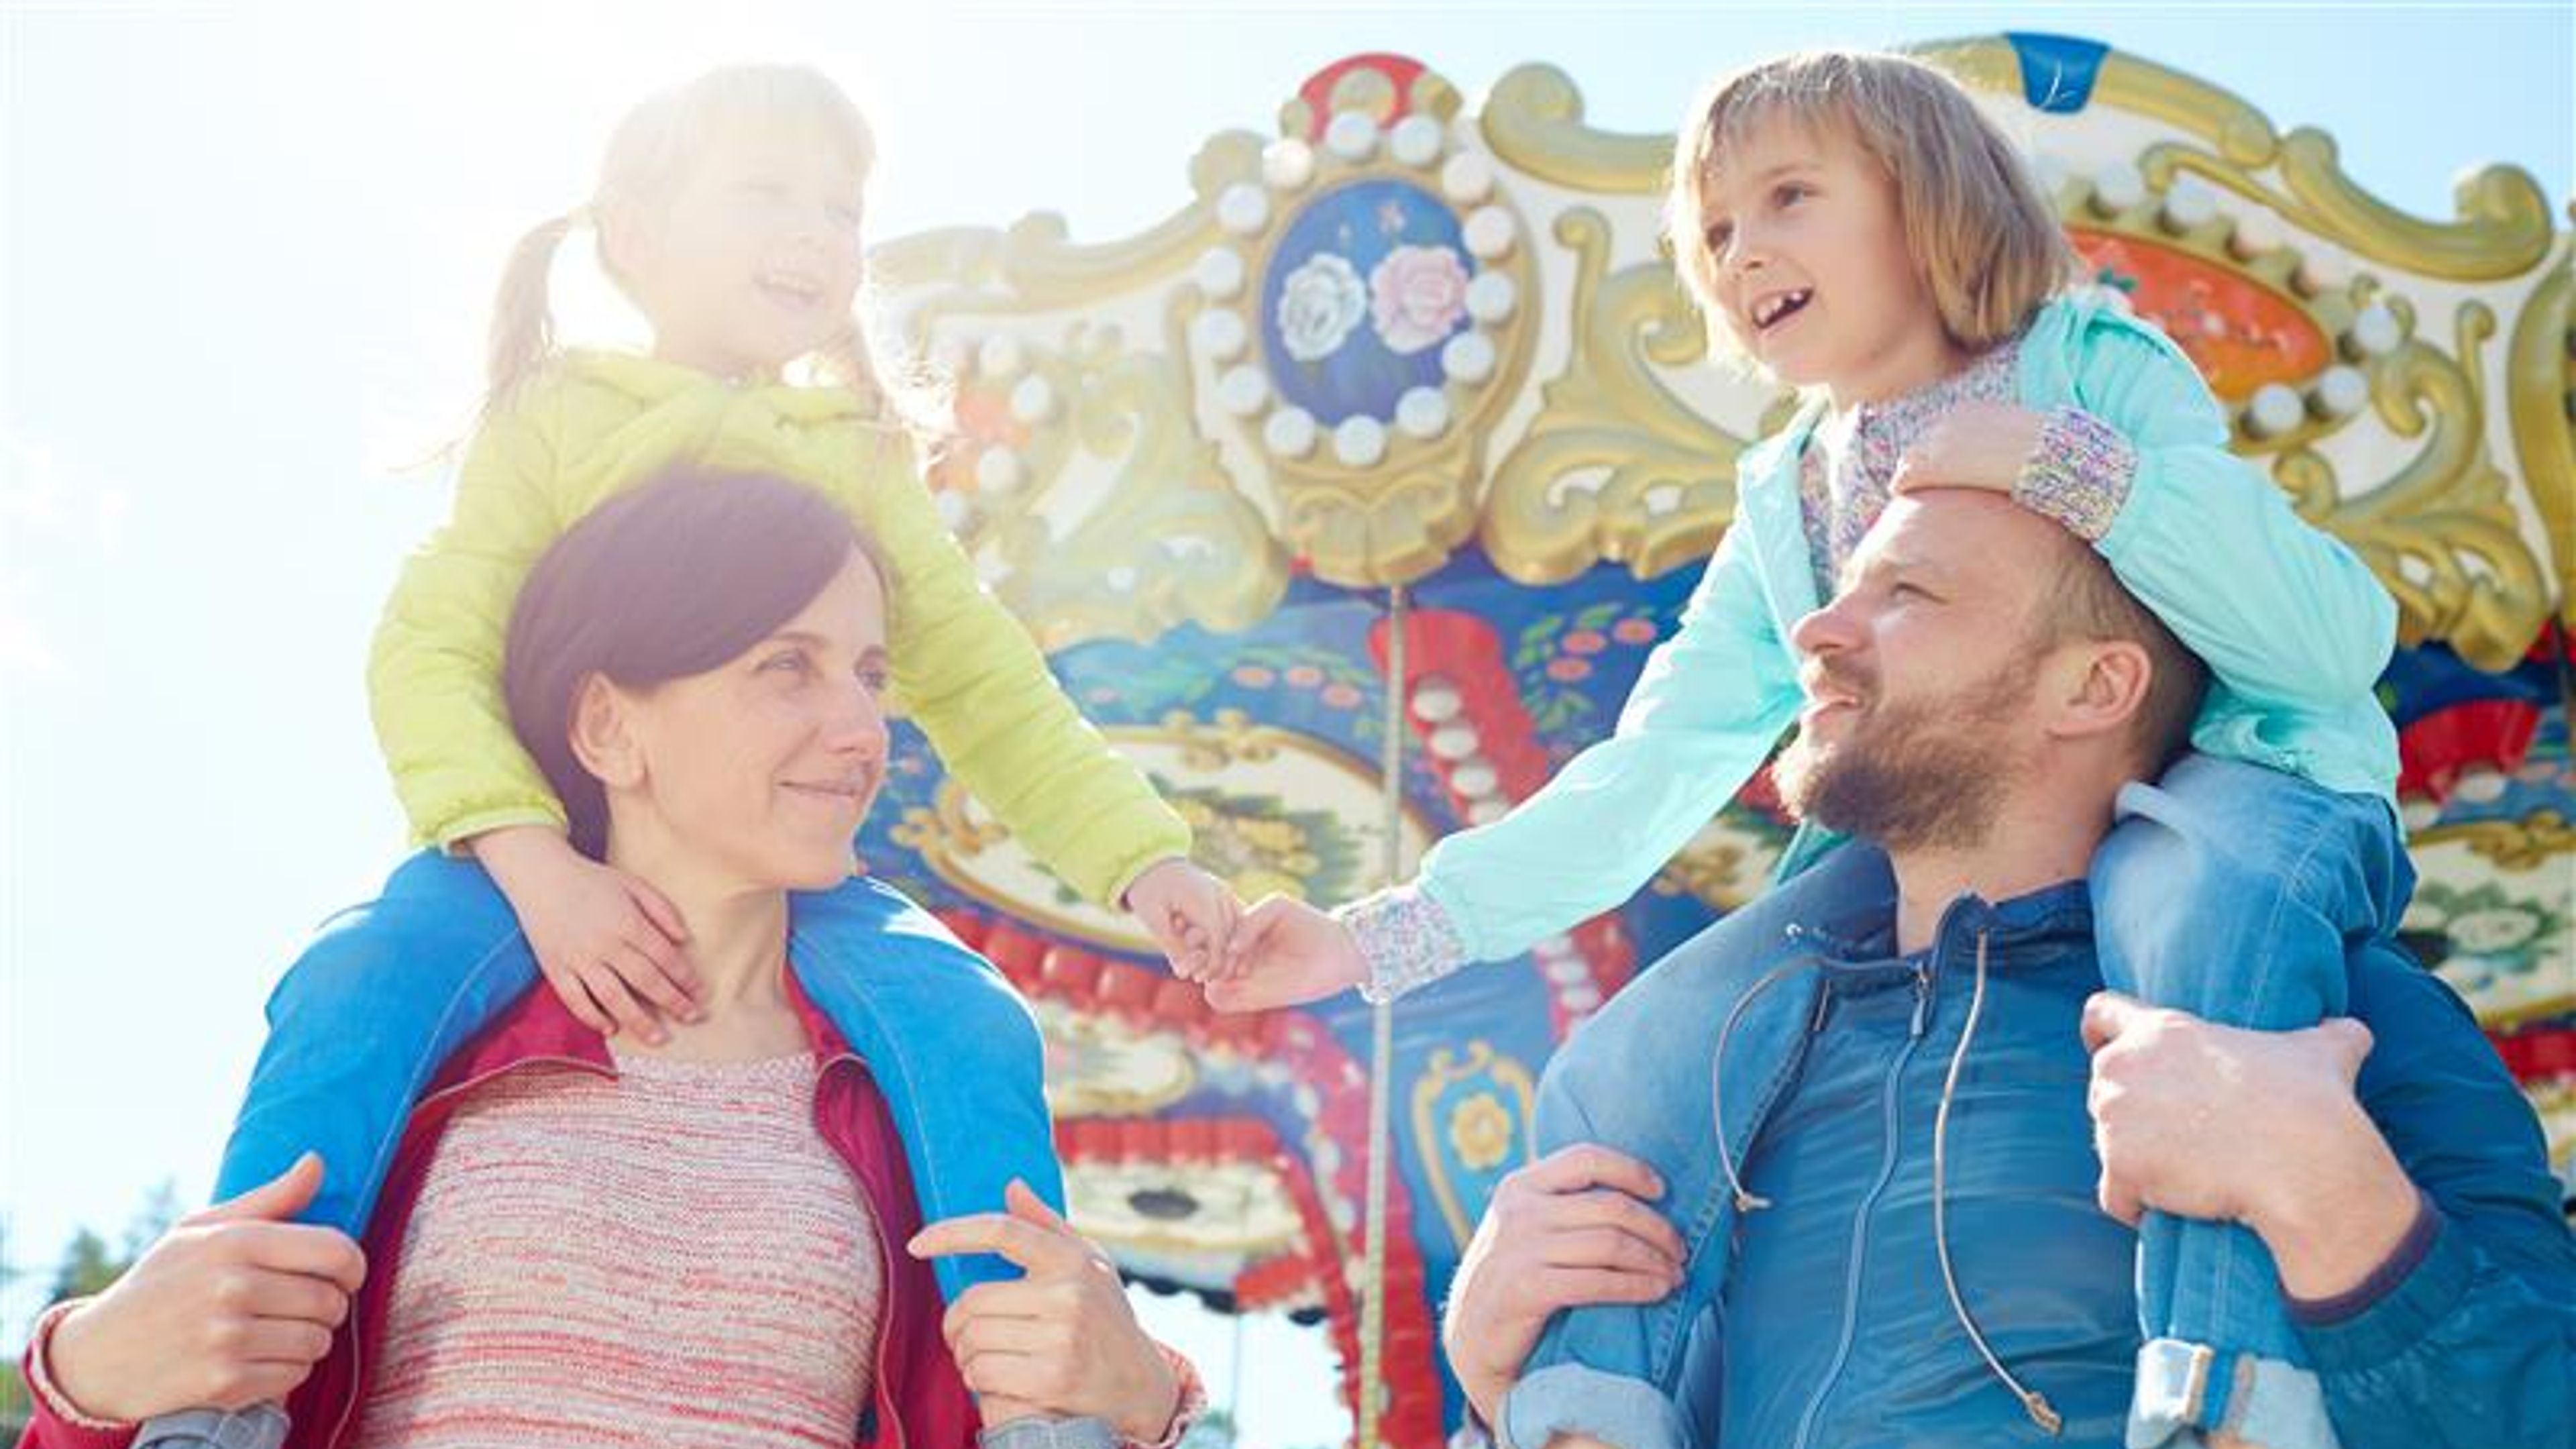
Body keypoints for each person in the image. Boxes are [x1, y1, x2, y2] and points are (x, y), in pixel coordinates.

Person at [1214, 49, 2410, 1447]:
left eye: (1789, 196)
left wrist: (2070, 468)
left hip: (2225, 781)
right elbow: (1654, 760)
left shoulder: (2096, 367)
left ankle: (2231, 1387)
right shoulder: (1789, 492)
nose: (1743, 251)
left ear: (1931, 203)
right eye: (1715, 227)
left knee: (2195, 922)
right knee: (1637, 1053)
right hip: (1917, 839)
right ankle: (1589, 1404)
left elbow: (2323, 640)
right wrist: (1383, 937)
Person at [126, 61, 1240, 1449]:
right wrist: (534, 865)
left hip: (789, 894)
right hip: (523, 850)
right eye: (769, 192)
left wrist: (1141, 860)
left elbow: (992, 683)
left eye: (842, 208)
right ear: (636, 236)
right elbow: (428, 647)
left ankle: (1034, 1409)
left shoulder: (857, 457)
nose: (819, 235)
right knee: (362, 975)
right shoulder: (559, 420)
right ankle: (221, 1396)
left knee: (968, 1022)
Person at [16, 469, 1207, 1449]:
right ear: (607, 726)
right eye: (785, 666)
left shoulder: (920, 1095)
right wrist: (89, 1381)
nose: (864, 731)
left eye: (871, 674)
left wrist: (1147, 1412)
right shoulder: (419, 1037)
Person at [1415, 492, 2575, 1449]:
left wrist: (2338, 1203)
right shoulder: (1731, 1082)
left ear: (2093, 687)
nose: (1819, 628)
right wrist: (1491, 1385)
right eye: (1842, 588)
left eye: (1906, 593)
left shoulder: (2334, 1009)